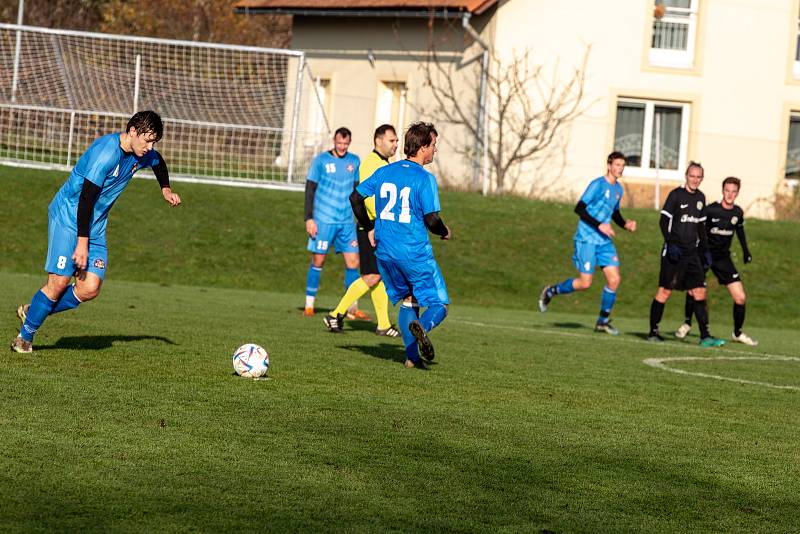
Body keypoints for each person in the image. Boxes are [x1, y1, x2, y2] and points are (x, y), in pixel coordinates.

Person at [11, 111, 181, 354]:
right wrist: (82, 244)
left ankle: (34, 310)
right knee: (59, 282)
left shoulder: (142, 153)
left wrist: (165, 188)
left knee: (89, 288)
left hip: (96, 224)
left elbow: (158, 162)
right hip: (69, 217)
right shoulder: (106, 153)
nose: (150, 147)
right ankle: (24, 338)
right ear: (132, 131)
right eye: (147, 140)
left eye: (154, 142)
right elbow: (86, 199)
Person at [350, 122, 450, 369]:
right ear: (423, 146)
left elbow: (355, 198)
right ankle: (422, 327)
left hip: (385, 251)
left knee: (409, 300)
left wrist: (369, 226)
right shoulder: (425, 179)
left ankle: (412, 358)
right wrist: (444, 231)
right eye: (434, 145)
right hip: (413, 251)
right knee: (439, 305)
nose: (435, 150)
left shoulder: (386, 171)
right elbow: (431, 219)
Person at [538, 151, 637, 335]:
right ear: (609, 165)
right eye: (617, 165)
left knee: (614, 280)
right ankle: (551, 291)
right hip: (587, 238)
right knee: (585, 283)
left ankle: (602, 321)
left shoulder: (618, 189)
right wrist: (599, 225)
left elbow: (614, 213)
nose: (620, 169)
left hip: (604, 241)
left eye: (622, 165)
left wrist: (625, 224)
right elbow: (579, 208)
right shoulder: (598, 185)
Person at [323, 124, 400, 337]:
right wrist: (373, 226)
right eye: (392, 140)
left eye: (396, 141)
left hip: (380, 228)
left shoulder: (384, 163)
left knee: (379, 277)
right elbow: (367, 199)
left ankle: (383, 325)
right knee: (372, 275)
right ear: (378, 141)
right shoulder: (372, 164)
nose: (396, 144)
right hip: (371, 228)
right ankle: (335, 313)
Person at [647, 161, 725, 347]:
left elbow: (700, 226)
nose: (695, 180)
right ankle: (653, 331)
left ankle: (705, 336)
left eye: (699, 177)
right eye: (692, 176)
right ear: (686, 176)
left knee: (699, 291)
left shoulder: (701, 198)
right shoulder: (676, 195)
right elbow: (663, 222)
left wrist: (705, 250)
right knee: (665, 291)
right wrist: (670, 243)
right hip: (674, 252)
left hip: (692, 254)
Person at [675, 177, 757, 345]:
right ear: (722, 190)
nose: (730, 194)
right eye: (727, 190)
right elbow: (698, 228)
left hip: (723, 258)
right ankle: (687, 323)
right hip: (704, 255)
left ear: (737, 193)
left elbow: (740, 230)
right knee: (694, 291)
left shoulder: (737, 213)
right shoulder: (711, 210)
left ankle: (737, 333)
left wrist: (746, 251)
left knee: (740, 297)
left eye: (734, 191)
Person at [303, 127, 367, 319]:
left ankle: (352, 308)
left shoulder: (354, 161)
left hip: (346, 222)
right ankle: (309, 305)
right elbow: (310, 189)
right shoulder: (321, 160)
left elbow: (357, 191)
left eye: (346, 144)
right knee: (318, 260)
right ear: (334, 141)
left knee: (353, 262)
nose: (342, 147)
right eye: (339, 143)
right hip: (323, 220)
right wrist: (309, 218)